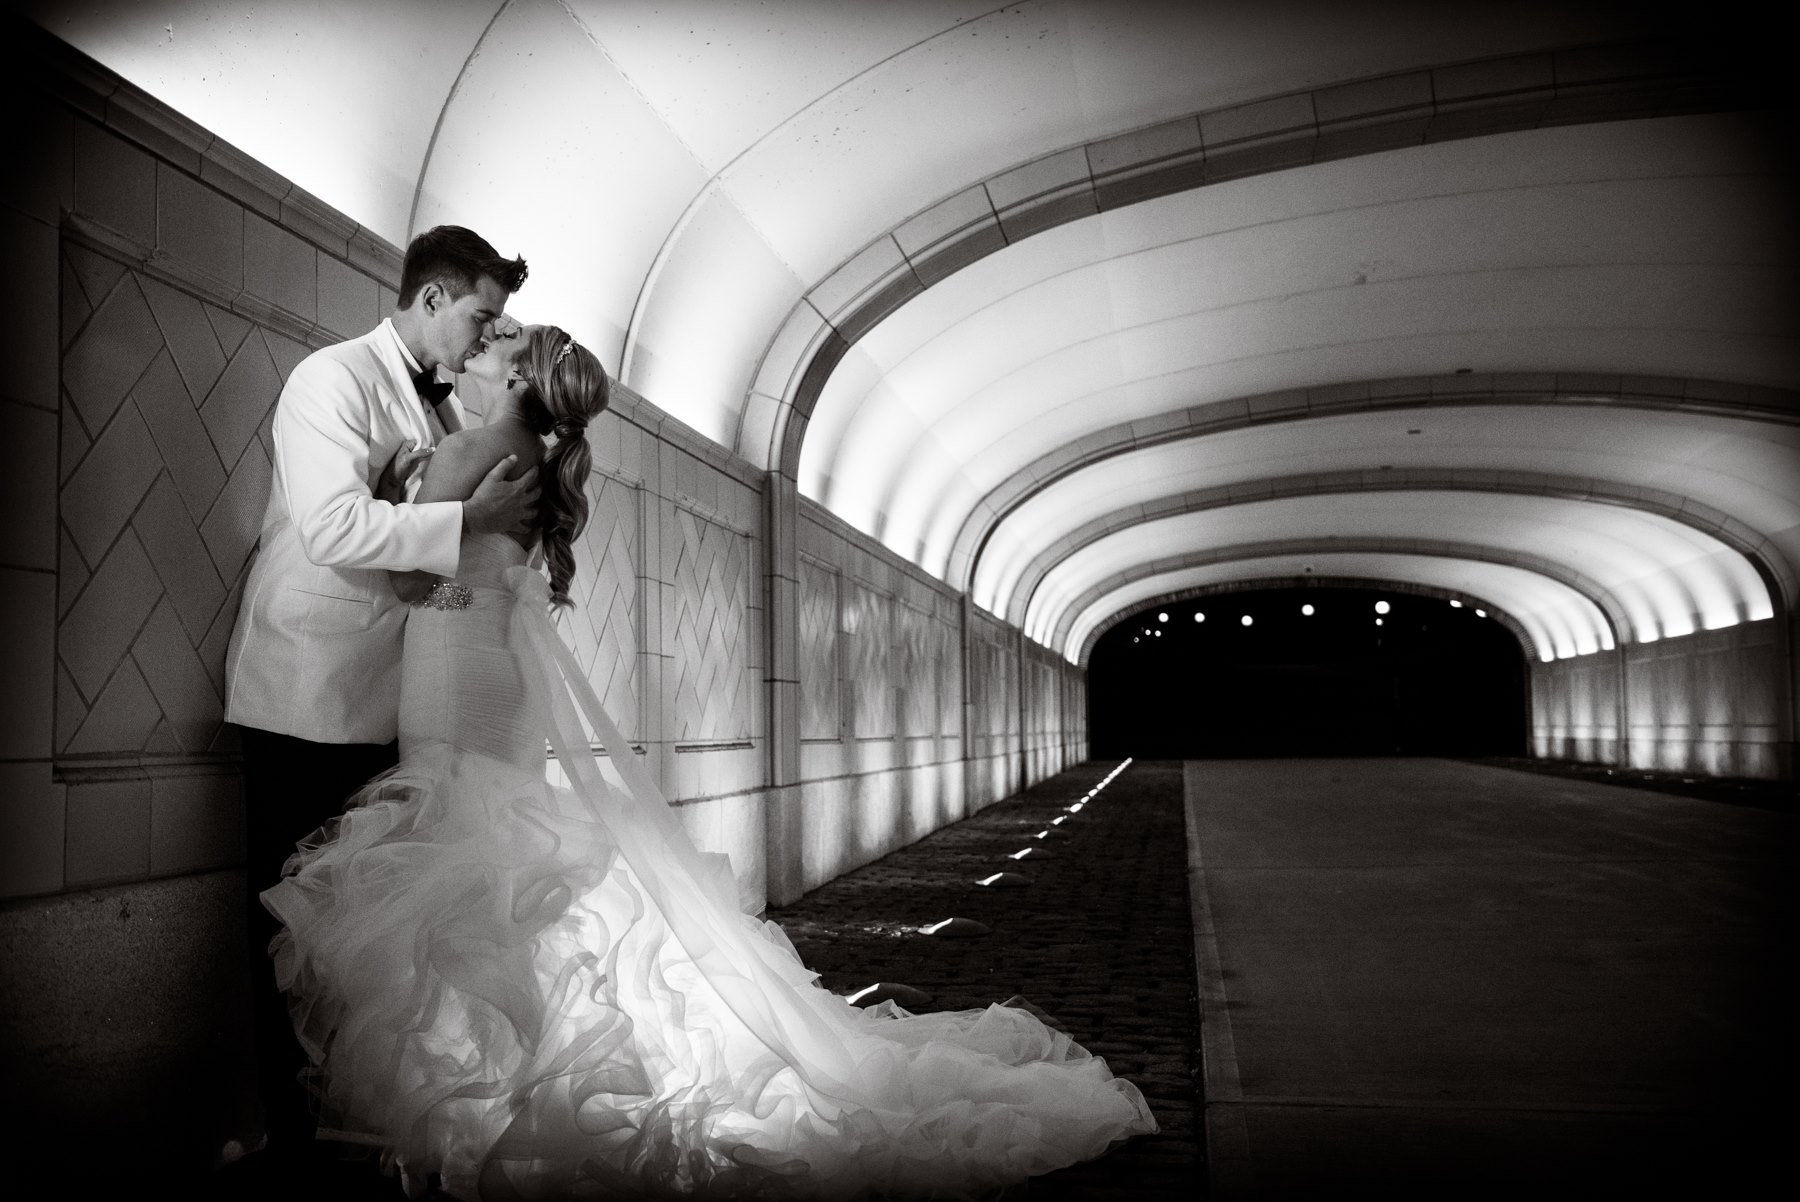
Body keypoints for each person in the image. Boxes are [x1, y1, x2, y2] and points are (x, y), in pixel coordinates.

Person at [262, 324, 1157, 1200]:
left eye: (497, 344)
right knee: (493, 861)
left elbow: (422, 580)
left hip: (452, 669)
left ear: (517, 378)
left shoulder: (472, 454)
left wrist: (391, 493)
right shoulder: (529, 456)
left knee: (461, 858)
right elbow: (483, 574)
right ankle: (501, 1076)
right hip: (494, 674)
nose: (480, 348)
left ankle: (471, 1085)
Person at [222, 225, 538, 1176]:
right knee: (291, 929)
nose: (487, 337)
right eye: (481, 315)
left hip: (394, 708)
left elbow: (416, 550)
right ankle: (292, 1139)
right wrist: (466, 519)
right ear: (432, 296)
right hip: (306, 694)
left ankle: (352, 1133)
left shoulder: (445, 412)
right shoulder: (332, 378)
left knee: (365, 944)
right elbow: (328, 525)